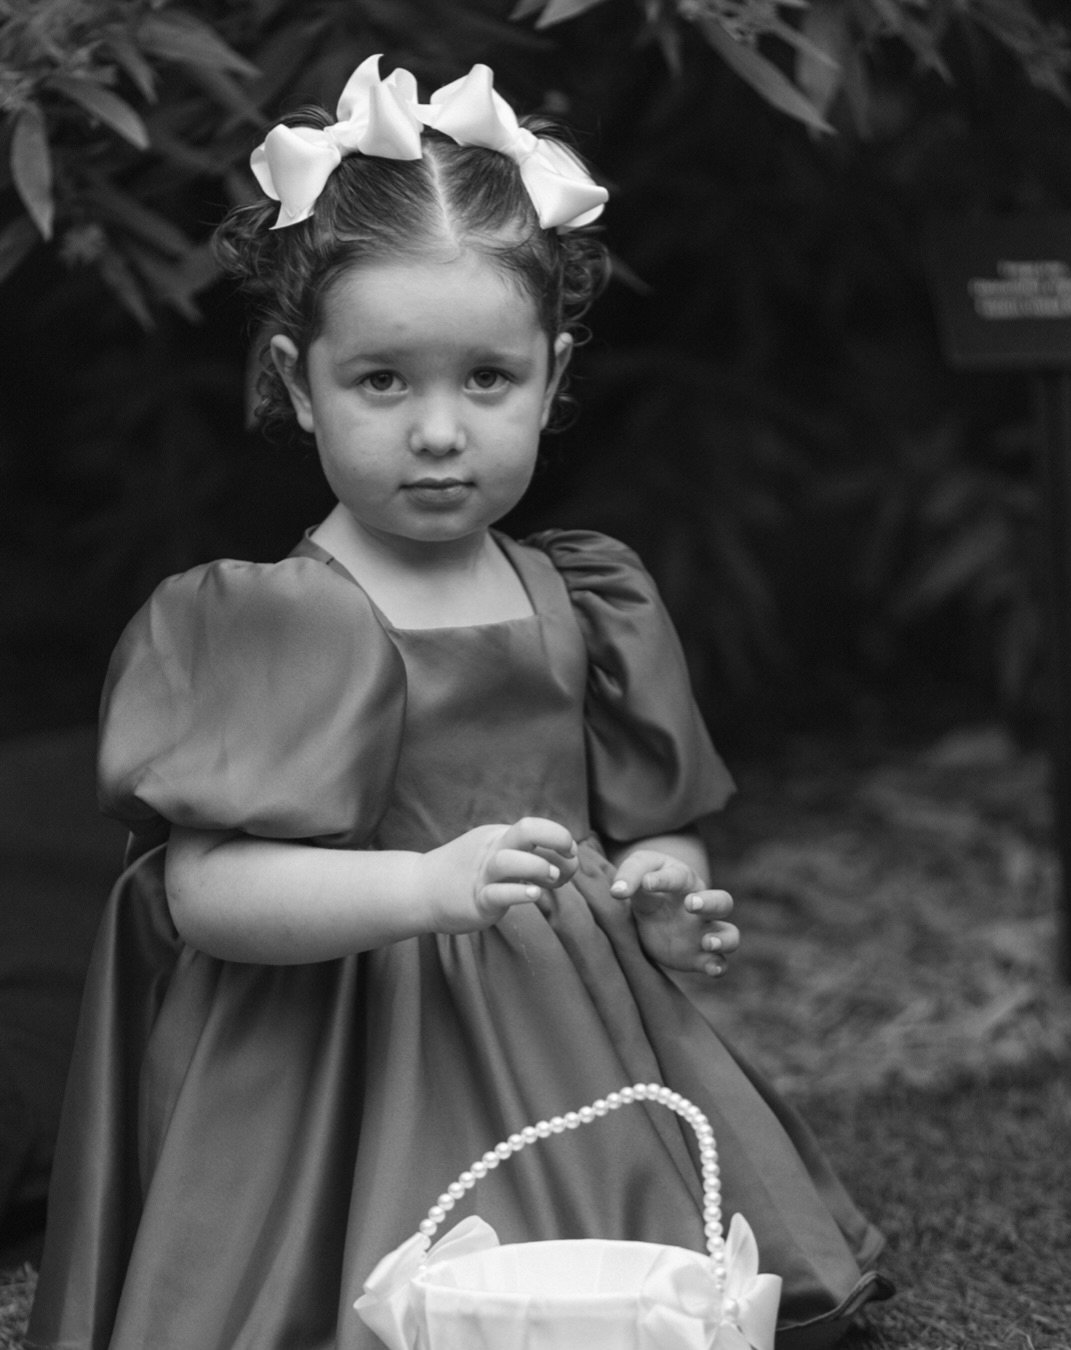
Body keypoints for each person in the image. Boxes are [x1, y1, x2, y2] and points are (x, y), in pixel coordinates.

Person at [27, 55, 891, 1350]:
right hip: (336, 1056)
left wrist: (661, 895)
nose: (439, 430)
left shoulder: (589, 598)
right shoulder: (265, 618)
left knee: (591, 1296)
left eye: (485, 380)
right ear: (295, 377)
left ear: (552, 375)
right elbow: (204, 895)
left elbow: (645, 826)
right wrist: (423, 891)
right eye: (384, 381)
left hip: (573, 1050)